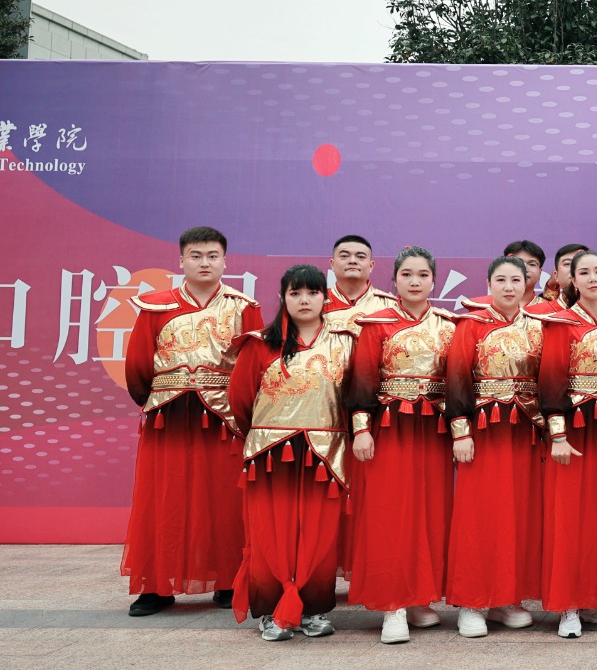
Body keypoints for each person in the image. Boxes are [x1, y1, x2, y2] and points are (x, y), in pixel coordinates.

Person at [122, 226, 262, 616]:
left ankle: (229, 581)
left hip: (225, 420)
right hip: (168, 418)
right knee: (162, 499)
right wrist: (161, 402)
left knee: (226, 500)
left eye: (212, 256)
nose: (205, 263)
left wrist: (243, 412)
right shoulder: (156, 305)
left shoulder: (243, 308)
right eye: (196, 256)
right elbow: (137, 367)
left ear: (225, 261)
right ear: (181, 260)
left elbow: (253, 367)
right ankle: (157, 584)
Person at [227, 264, 356, 641]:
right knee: (270, 533)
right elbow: (239, 400)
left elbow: (354, 396)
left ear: (325, 298)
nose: (304, 300)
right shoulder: (259, 344)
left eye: (312, 292)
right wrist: (267, 434)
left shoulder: (346, 342)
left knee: (319, 534)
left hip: (324, 455)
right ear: (283, 297)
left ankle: (312, 609)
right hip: (270, 454)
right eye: (295, 293)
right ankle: (271, 610)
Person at [345, 247, 457, 644]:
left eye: (423, 275)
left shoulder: (449, 326)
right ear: (393, 280)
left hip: (433, 431)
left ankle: (419, 597)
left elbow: (459, 381)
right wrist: (361, 429)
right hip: (389, 429)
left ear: (434, 281)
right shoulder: (376, 324)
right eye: (407, 274)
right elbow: (362, 380)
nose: (415, 281)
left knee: (429, 512)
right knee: (390, 513)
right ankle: (392, 604)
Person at [444, 256, 546, 638]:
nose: (508, 287)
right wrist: (461, 432)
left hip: (524, 433)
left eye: (515, 280)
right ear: (488, 284)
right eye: (500, 280)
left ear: (527, 284)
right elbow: (457, 377)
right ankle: (471, 602)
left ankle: (507, 598)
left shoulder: (538, 325)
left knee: (518, 515)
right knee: (478, 515)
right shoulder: (471, 323)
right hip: (483, 432)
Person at [538, 252, 597, 639]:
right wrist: (557, 434)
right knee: (569, 515)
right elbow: (551, 380)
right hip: (575, 430)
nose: (594, 278)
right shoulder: (561, 323)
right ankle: (568, 605)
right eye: (585, 272)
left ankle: (594, 596)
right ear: (572, 281)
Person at [324, 235, 397, 330]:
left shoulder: (392, 305)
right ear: (332, 265)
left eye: (360, 257)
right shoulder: (318, 303)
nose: (352, 261)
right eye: (344, 256)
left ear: (371, 266)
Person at [458, 241, 547, 313]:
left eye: (532, 264)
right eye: (518, 262)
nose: (524, 268)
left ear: (540, 273)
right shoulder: (480, 307)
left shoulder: (548, 311)